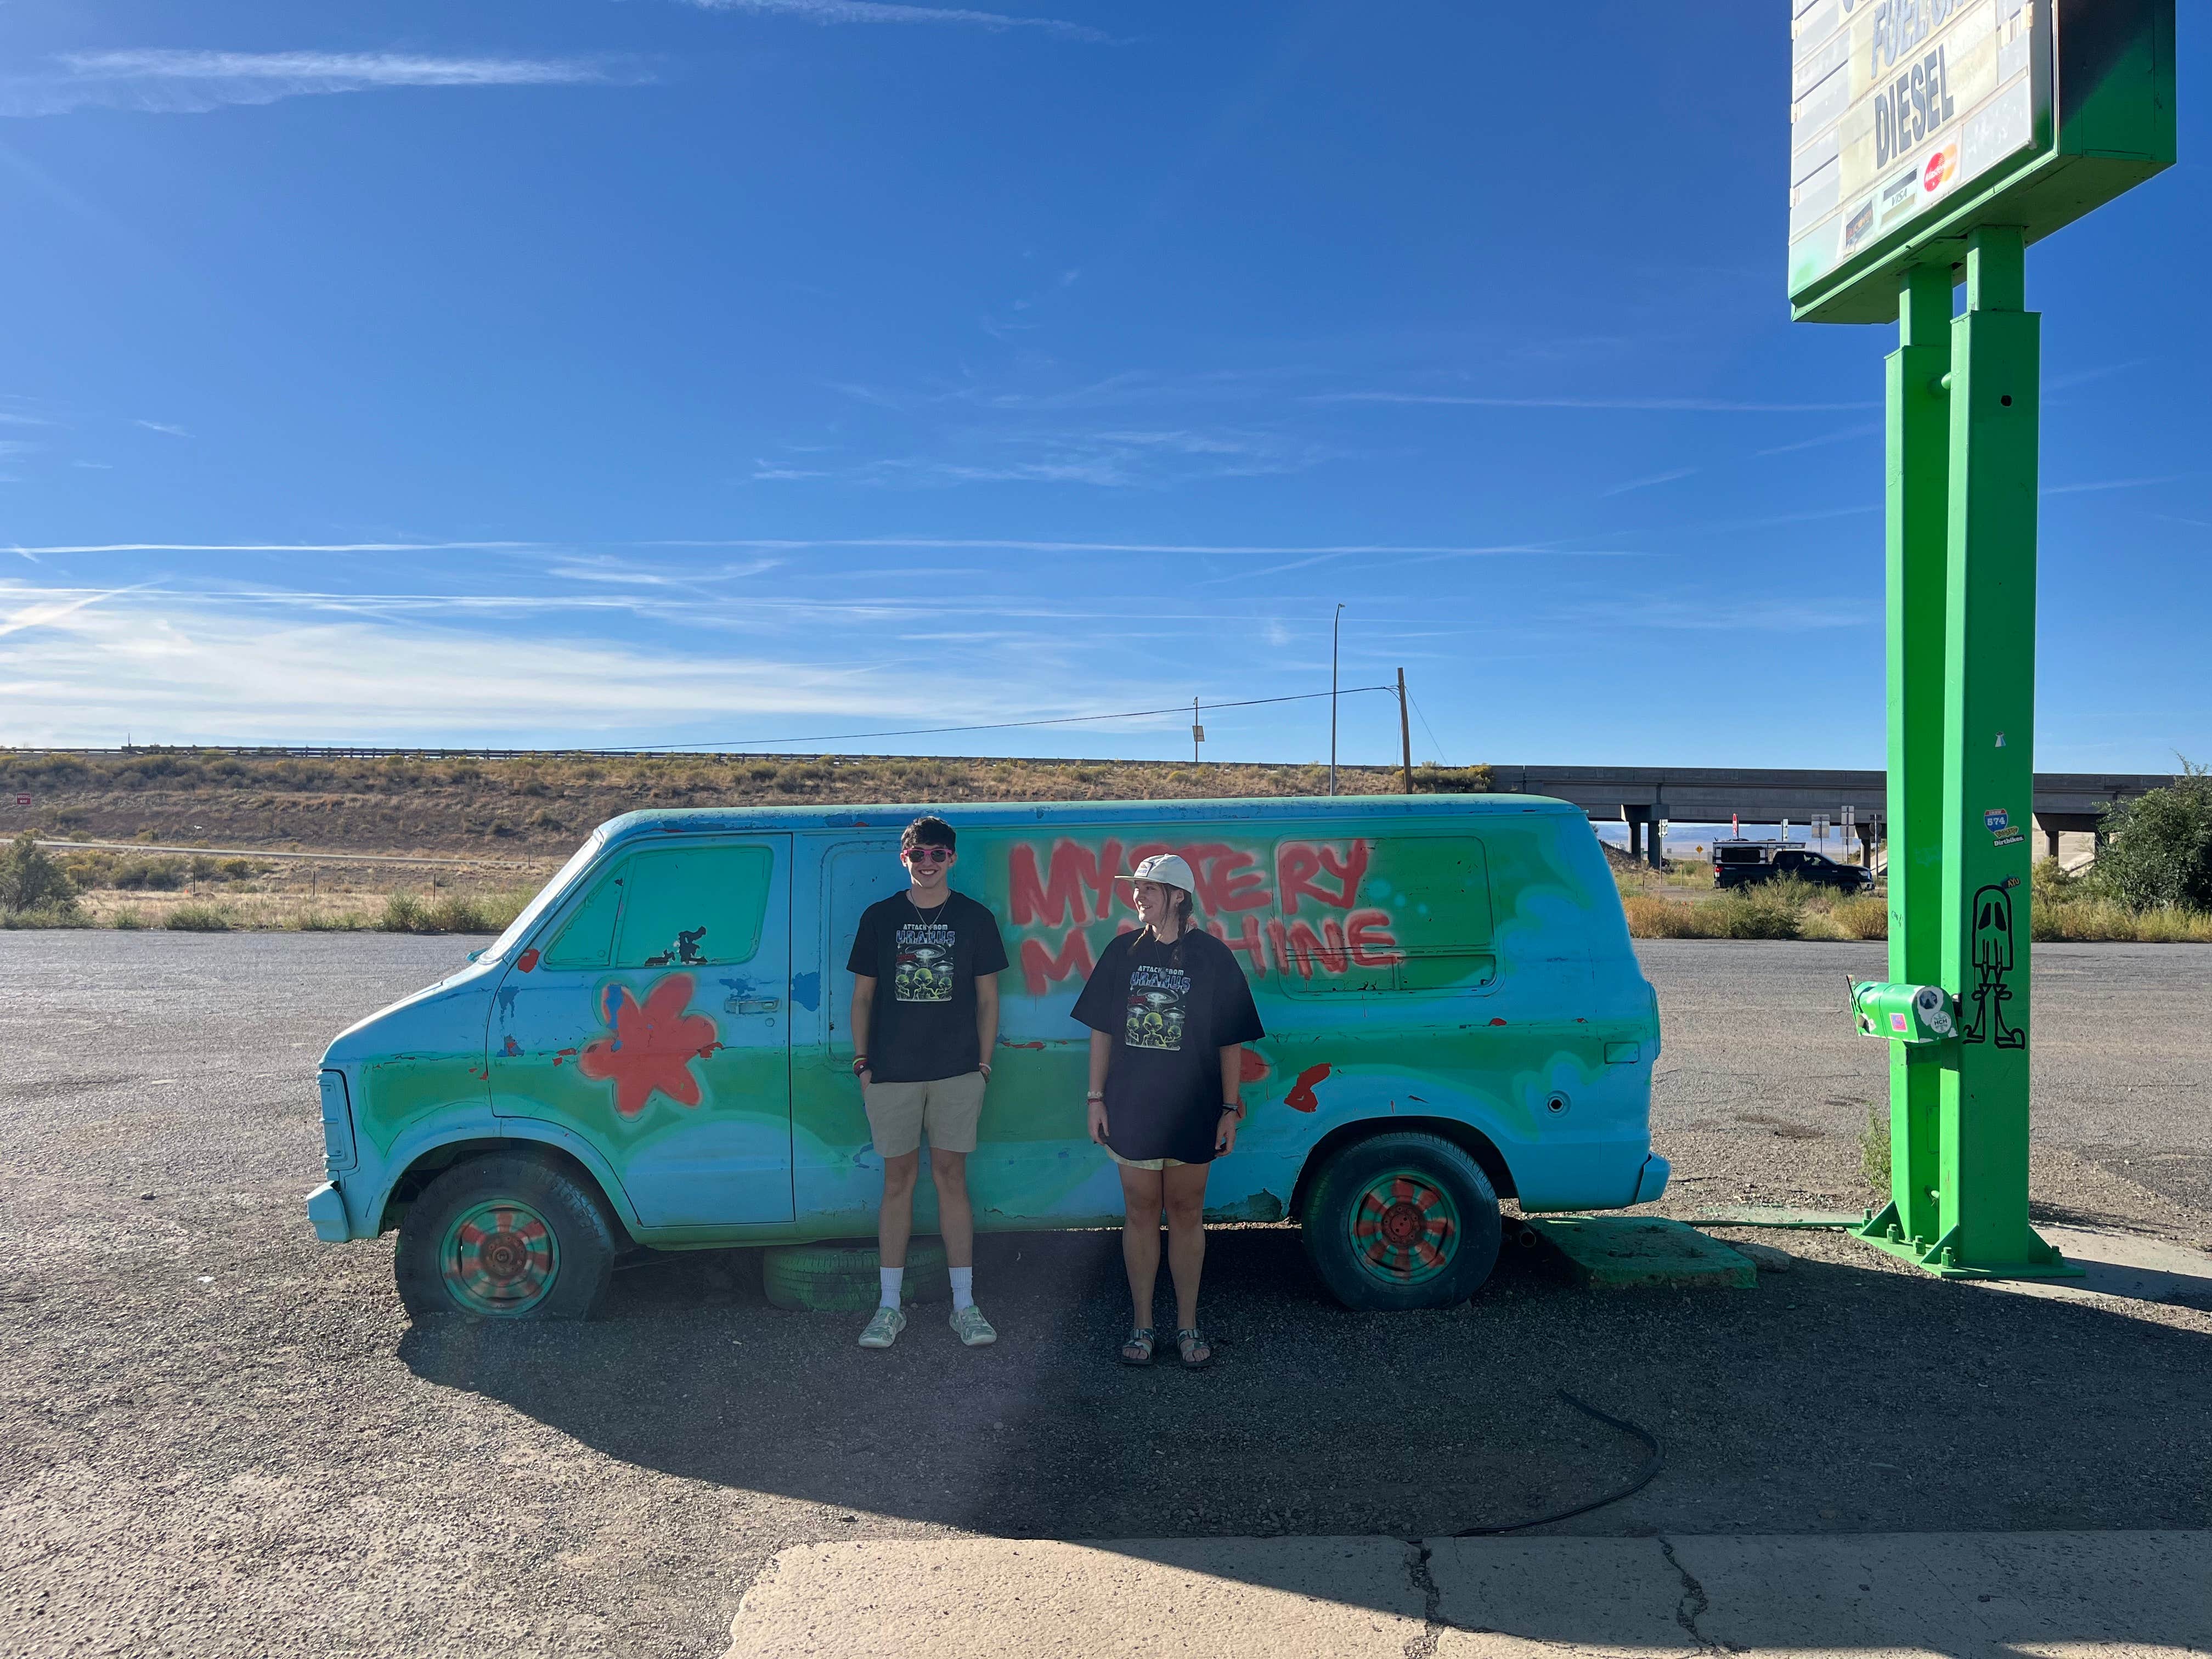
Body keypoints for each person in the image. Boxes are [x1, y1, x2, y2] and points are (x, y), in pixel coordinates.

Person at [1071, 852, 1265, 1369]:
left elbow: (1231, 1041)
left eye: (1149, 888)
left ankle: (1187, 1324)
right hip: (1131, 1106)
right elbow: (1102, 1031)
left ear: (1178, 896)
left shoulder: (1213, 958)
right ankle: (1142, 1324)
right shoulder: (1121, 954)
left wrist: (1229, 1108)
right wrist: (1095, 1099)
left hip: (1194, 1108)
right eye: (1136, 888)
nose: (1138, 896)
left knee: (1185, 1214)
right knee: (1138, 1214)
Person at [847, 816, 1009, 1350]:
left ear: (952, 860)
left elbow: (989, 1000)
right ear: (905, 859)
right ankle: (888, 1308)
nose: (928, 863)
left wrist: (983, 1067)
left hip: (958, 1072)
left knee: (951, 1179)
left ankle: (965, 1306)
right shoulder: (879, 918)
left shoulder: (975, 919)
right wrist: (864, 1065)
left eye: (938, 854)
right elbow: (863, 998)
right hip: (891, 1073)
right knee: (896, 1183)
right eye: (919, 854)